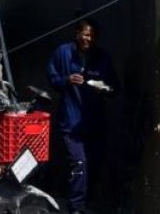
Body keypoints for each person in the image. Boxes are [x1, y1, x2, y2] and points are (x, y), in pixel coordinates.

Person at [47, 19, 117, 214]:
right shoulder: (63, 53)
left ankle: (86, 203)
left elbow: (115, 87)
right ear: (77, 33)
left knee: (93, 164)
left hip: (95, 122)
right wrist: (66, 80)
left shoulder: (102, 57)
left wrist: (105, 89)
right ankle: (76, 208)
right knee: (79, 163)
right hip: (71, 122)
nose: (89, 39)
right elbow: (52, 80)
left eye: (93, 36)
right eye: (86, 34)